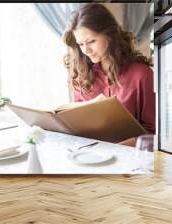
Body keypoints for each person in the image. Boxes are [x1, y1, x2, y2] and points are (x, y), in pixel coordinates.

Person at [62, 3, 155, 146]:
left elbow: (154, 133)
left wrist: (116, 147)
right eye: (80, 44)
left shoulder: (142, 75)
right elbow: (79, 127)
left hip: (131, 160)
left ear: (110, 35)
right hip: (91, 157)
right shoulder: (82, 78)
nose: (86, 50)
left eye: (91, 41)